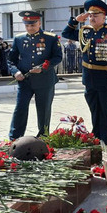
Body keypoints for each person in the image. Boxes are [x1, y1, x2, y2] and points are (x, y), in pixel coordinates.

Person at [62, 0, 107, 144]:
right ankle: (96, 137)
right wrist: (75, 20)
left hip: (105, 78)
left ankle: (105, 140)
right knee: (94, 109)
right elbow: (66, 33)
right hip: (89, 78)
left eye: (96, 15)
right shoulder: (85, 31)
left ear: (104, 16)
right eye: (90, 15)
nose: (92, 18)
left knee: (105, 111)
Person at [8, 11, 63, 139]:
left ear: (39, 23)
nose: (30, 28)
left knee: (43, 110)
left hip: (44, 81)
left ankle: (43, 137)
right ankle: (15, 137)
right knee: (20, 108)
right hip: (25, 80)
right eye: (27, 25)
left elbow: (57, 57)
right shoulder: (19, 38)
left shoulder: (51, 38)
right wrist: (15, 71)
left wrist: (43, 67)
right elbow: (11, 59)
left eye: (32, 25)